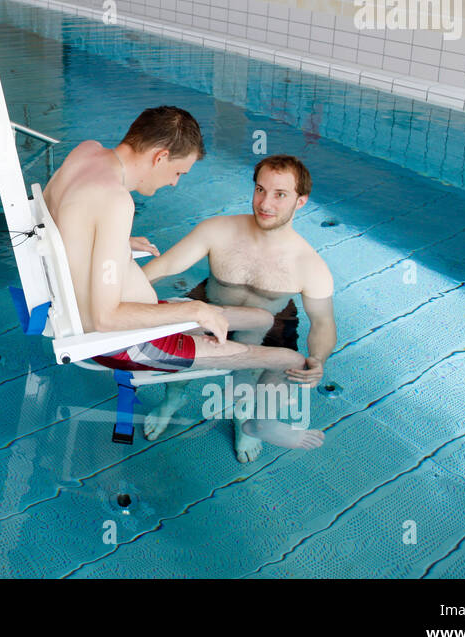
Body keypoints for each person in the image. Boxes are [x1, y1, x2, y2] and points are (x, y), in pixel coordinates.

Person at [41, 107, 311, 383]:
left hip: (124, 314)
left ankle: (243, 367)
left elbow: (69, 221)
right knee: (292, 360)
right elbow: (105, 319)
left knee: (262, 318)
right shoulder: (115, 201)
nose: (173, 182)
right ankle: (253, 412)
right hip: (125, 341)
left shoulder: (86, 152)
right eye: (178, 172)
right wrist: (195, 309)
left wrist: (113, 240)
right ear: (161, 157)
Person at [141, 154, 335, 461]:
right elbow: (165, 265)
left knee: (265, 368)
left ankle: (246, 421)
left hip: (269, 320)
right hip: (212, 304)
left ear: (301, 202)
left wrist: (319, 358)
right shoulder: (219, 230)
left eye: (280, 194)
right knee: (177, 340)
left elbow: (323, 323)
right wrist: (118, 296)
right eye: (260, 190)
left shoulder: (309, 265)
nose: (265, 204)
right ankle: (173, 400)